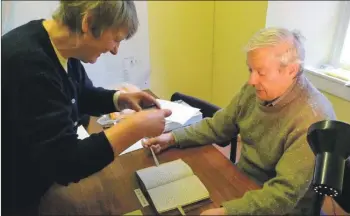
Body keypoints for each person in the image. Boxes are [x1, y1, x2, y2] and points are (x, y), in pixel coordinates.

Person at [143, 28, 336, 215]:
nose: (251, 80)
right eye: (250, 69)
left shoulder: (313, 119)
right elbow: (219, 125)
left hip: (280, 207)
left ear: (291, 70)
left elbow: (283, 196)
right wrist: (172, 138)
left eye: (261, 72)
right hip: (242, 183)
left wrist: (229, 211)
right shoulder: (256, 90)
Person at [2, 1, 171, 214]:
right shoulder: (29, 65)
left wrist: (119, 99)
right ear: (88, 22)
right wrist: (135, 128)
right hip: (14, 195)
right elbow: (66, 163)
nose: (115, 51)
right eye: (115, 40)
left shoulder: (55, 46)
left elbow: (80, 93)